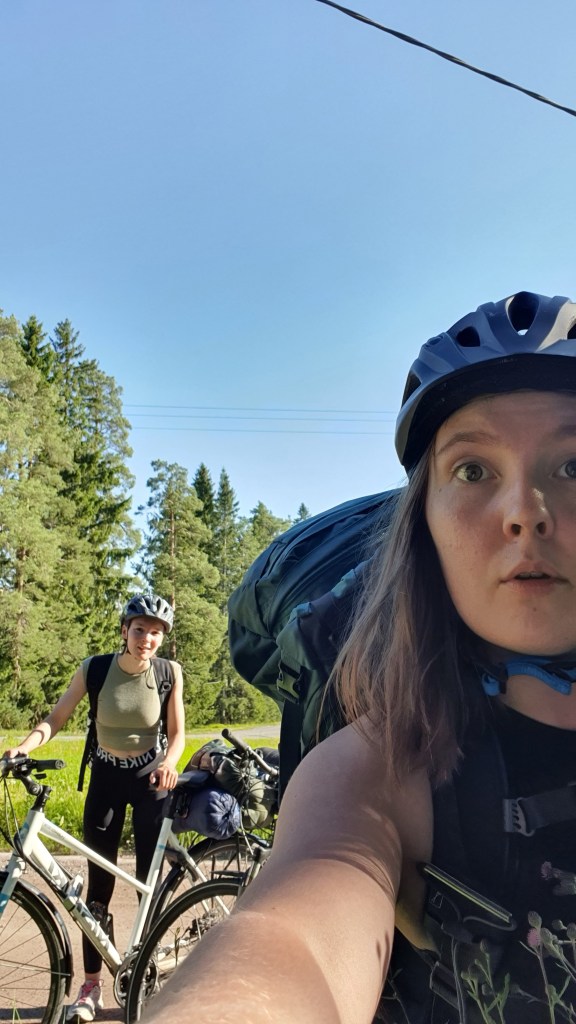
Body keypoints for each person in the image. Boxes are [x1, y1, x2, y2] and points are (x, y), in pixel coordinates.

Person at [142, 291, 576, 1024]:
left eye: (574, 464)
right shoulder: (379, 774)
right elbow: (293, 941)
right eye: (473, 470)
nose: (524, 512)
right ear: (423, 528)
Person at [4, 593, 185, 1023]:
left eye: (155, 633)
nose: (146, 639)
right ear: (124, 631)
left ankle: (144, 976)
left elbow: (177, 733)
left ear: (161, 639)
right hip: (106, 780)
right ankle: (91, 987)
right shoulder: (96, 669)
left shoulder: (168, 672)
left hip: (150, 782)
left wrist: (170, 764)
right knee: (98, 890)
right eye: (139, 630)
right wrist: (24, 747)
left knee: (148, 885)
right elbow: (57, 717)